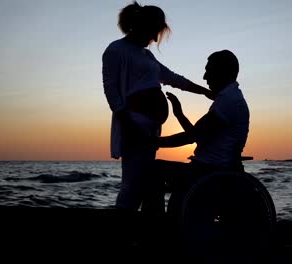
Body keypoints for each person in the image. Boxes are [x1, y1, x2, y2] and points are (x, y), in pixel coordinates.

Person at [101, 1, 212, 242]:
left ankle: (133, 234)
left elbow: (171, 77)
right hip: (134, 123)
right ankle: (119, 236)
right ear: (143, 26)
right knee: (132, 180)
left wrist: (202, 91)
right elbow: (110, 89)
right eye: (154, 32)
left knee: (141, 179)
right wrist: (125, 121)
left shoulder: (147, 55)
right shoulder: (116, 50)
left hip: (151, 126)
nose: (154, 38)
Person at [156, 50, 250, 214]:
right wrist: (179, 114)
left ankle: (157, 224)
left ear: (223, 72)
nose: (205, 77)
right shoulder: (229, 98)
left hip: (209, 172)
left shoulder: (229, 101)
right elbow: (198, 136)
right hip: (209, 169)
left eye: (208, 70)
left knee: (152, 170)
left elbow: (191, 136)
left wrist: (153, 142)